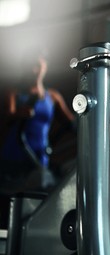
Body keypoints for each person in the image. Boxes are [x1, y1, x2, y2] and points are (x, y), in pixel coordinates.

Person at [0, 49, 75, 178]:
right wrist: (19, 113)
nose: (34, 70)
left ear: (45, 66)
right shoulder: (14, 94)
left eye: (38, 66)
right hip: (14, 158)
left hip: (39, 158)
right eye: (31, 66)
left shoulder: (53, 96)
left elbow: (72, 122)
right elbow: (8, 118)